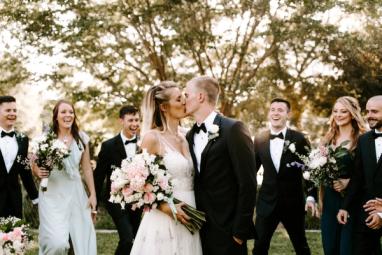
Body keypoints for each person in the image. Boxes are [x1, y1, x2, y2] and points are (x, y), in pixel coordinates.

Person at [184, 76, 257, 255]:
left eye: (187, 94)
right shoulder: (189, 135)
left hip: (228, 229)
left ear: (200, 97)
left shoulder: (233, 129)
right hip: (198, 227)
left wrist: (240, 231)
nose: (183, 99)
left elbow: (248, 182)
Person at [130, 81, 202, 255]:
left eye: (184, 96)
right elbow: (136, 183)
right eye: (179, 99)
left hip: (190, 212)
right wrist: (166, 207)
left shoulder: (188, 135)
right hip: (165, 217)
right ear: (163, 107)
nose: (185, 101)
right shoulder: (152, 138)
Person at [252, 98, 317, 255]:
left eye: (280, 110)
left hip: (293, 203)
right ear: (269, 113)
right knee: (259, 246)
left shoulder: (300, 139)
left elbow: (310, 169)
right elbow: (251, 169)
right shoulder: (259, 139)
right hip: (266, 202)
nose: (276, 113)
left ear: (288, 114)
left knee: (301, 246)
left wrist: (310, 197)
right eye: (272, 109)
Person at [33, 100, 97, 255]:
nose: (68, 115)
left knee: (82, 238)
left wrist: (93, 194)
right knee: (57, 243)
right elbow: (33, 162)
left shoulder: (81, 138)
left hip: (76, 194)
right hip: (51, 195)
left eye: (71, 112)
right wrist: (37, 171)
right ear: (56, 117)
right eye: (63, 112)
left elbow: (87, 168)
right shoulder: (45, 139)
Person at [319, 96, 366, 255]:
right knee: (330, 247)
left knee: (347, 249)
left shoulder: (362, 139)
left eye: (343, 111)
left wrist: (348, 182)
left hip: (353, 201)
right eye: (335, 111)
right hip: (330, 200)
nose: (338, 115)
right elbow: (319, 167)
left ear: (352, 114)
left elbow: (369, 172)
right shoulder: (327, 139)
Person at [94, 105, 142, 254]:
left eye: (137, 120)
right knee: (127, 238)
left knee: (134, 239)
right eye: (130, 120)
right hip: (115, 199)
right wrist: (93, 203)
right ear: (121, 121)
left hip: (137, 199)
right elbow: (99, 175)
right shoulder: (108, 146)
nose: (134, 124)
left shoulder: (144, 143)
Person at [337, 95, 382, 254]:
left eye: (374, 111)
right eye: (367, 111)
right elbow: (358, 177)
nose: (369, 115)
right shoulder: (363, 140)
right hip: (365, 212)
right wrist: (345, 207)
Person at [0, 95, 38, 218]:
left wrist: (35, 197)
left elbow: (24, 170)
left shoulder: (23, 139)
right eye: (8, 110)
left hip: (14, 199)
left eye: (14, 110)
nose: (12, 113)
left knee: (14, 236)